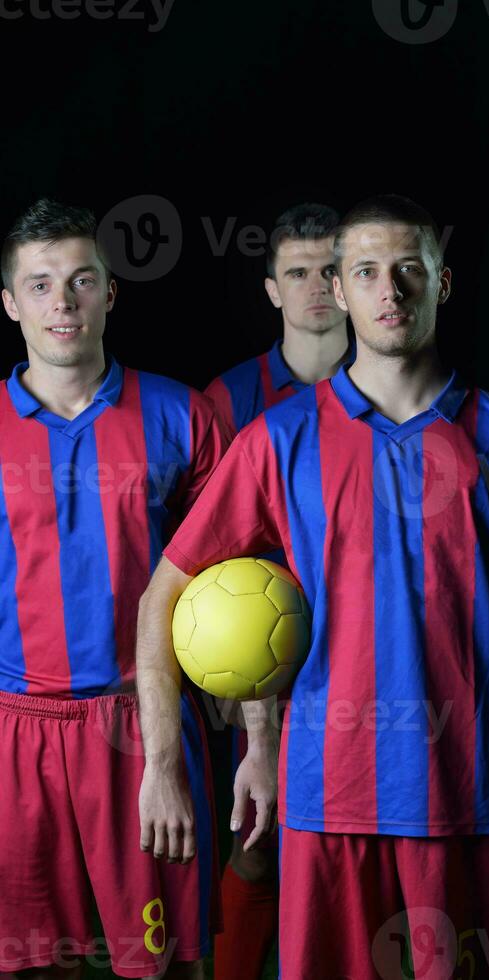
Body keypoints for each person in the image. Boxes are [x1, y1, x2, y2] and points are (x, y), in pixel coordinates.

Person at [137, 194, 489, 980]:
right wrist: (166, 763)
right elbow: (161, 599)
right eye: (366, 272)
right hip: (325, 802)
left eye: (409, 270)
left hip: (471, 803)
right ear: (339, 291)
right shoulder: (276, 442)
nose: (391, 291)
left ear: (443, 283)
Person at [0, 198, 229, 980]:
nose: (62, 302)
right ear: (10, 303)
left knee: (166, 964)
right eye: (39, 285)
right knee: (31, 964)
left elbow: (239, 586)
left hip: (142, 726)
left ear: (111, 292)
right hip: (14, 728)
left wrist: (253, 741)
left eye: (81, 281)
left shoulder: (181, 415)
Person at [204, 202, 351, 980]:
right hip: (262, 668)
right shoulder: (228, 401)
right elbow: (194, 555)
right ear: (272, 290)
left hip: (364, 663)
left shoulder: (397, 385)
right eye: (299, 273)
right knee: (257, 846)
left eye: (333, 269)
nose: (318, 287)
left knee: (353, 852)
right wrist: (217, 677)